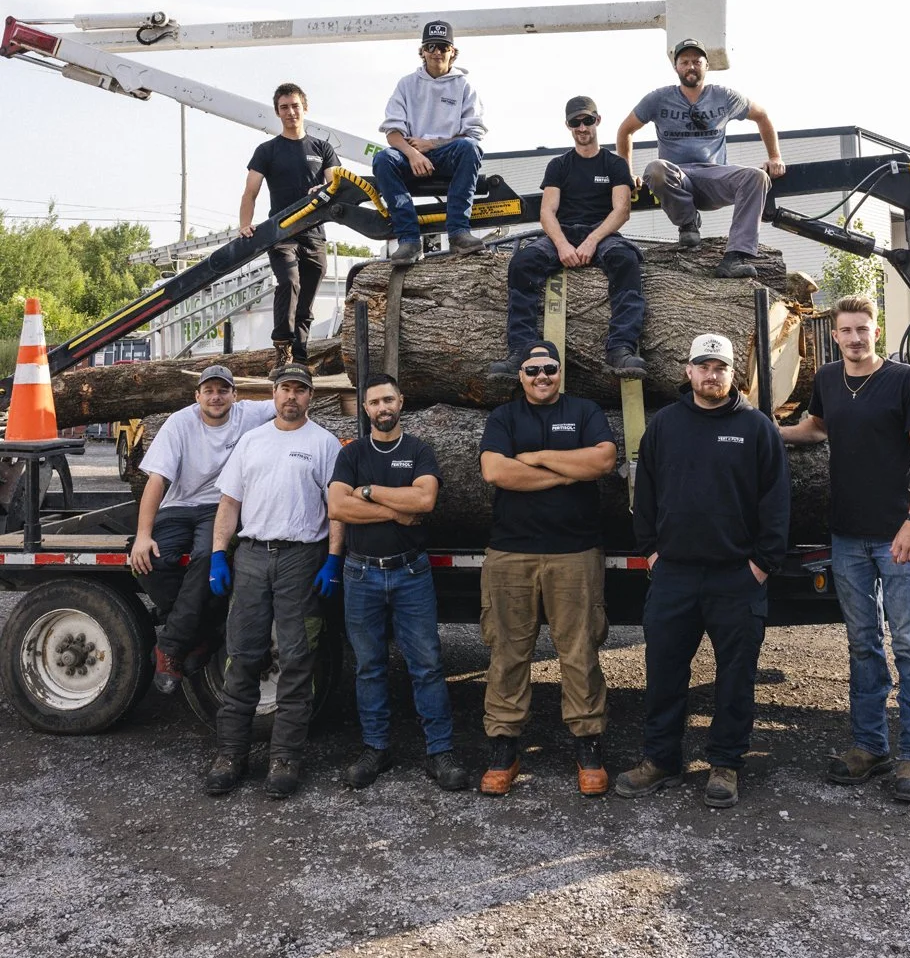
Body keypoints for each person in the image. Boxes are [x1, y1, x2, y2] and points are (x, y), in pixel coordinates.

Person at [616, 331, 789, 808]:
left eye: (721, 368)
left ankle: (726, 763)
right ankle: (660, 759)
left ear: (733, 375)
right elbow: (644, 495)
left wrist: (760, 566)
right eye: (703, 366)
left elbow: (776, 504)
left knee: (736, 676)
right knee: (664, 671)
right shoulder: (666, 425)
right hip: (674, 576)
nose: (711, 375)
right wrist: (651, 552)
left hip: (737, 577)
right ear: (687, 371)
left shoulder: (756, 428)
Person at [780, 294, 910, 803]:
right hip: (847, 536)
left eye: (863, 330)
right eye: (846, 330)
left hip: (899, 535)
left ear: (876, 330)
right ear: (835, 335)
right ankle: (870, 747)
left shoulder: (903, 381)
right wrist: (767, 430)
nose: (854, 338)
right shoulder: (827, 380)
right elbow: (818, 428)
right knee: (862, 643)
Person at [478, 340, 617, 797]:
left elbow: (602, 460)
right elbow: (497, 472)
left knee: (579, 652)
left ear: (561, 373)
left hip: (575, 553)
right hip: (510, 555)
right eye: (533, 369)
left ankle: (588, 745)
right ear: (521, 375)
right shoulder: (503, 418)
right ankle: (504, 746)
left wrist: (535, 459)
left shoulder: (585, 410)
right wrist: (568, 472)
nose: (542, 376)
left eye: (550, 369)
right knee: (508, 652)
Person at [203, 363, 343, 800]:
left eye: (301, 390)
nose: (292, 397)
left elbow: (336, 509)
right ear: (274, 393)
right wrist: (218, 555)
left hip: (301, 559)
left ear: (310, 397)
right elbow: (229, 504)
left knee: (298, 660)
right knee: (242, 655)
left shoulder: (324, 444)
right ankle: (230, 754)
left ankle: (285, 758)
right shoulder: (252, 441)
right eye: (285, 389)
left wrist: (333, 561)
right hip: (250, 557)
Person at [327, 373, 469, 792]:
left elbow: (424, 500)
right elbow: (337, 506)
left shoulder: (418, 450)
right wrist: (395, 508)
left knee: (426, 664)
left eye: (388, 399)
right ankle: (375, 748)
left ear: (401, 401)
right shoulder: (351, 454)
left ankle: (440, 753)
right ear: (365, 409)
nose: (382, 408)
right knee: (369, 666)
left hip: (410, 573)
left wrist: (368, 493)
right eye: (374, 402)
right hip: (361, 572)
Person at [130, 366, 275, 695]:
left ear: (235, 395)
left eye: (223, 390)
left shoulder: (248, 415)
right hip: (178, 505)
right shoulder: (180, 423)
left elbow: (285, 399)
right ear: (197, 396)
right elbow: (157, 481)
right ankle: (204, 633)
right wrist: (143, 534)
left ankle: (170, 645)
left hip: (220, 507)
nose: (216, 397)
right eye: (208, 390)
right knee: (149, 561)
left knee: (207, 557)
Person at [488, 95, 646, 379]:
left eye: (587, 120)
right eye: (576, 122)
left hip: (602, 232)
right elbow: (547, 212)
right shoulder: (558, 165)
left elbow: (621, 211)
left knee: (625, 260)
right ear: (568, 126)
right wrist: (561, 244)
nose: (582, 127)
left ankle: (620, 350)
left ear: (598, 120)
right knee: (522, 264)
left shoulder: (614, 164)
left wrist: (591, 241)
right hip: (563, 232)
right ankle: (521, 354)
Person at [615, 37, 786, 278]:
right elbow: (625, 130)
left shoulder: (724, 97)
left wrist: (775, 156)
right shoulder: (658, 99)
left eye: (697, 61)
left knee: (756, 177)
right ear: (676, 67)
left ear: (706, 66)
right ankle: (688, 223)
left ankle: (735, 257)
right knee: (655, 169)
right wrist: (625, 174)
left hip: (714, 176)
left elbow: (762, 116)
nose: (691, 66)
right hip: (678, 177)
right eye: (684, 62)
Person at [240, 83, 342, 371]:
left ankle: (299, 357)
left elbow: (336, 183)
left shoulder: (322, 148)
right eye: (284, 107)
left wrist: (324, 186)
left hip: (315, 234)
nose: (290, 111)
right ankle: (282, 349)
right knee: (289, 283)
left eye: (295, 105)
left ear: (304, 108)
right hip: (282, 232)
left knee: (306, 300)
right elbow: (250, 192)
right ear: (277, 112)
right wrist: (245, 225)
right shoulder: (267, 150)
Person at [372, 19, 488, 266]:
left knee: (470, 148)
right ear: (422, 51)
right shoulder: (406, 84)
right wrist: (414, 154)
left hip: (446, 155)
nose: (437, 52)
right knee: (383, 159)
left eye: (443, 47)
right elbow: (392, 132)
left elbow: (473, 133)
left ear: (452, 52)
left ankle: (458, 232)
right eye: (431, 46)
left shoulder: (465, 86)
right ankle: (409, 240)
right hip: (411, 156)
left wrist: (431, 145)